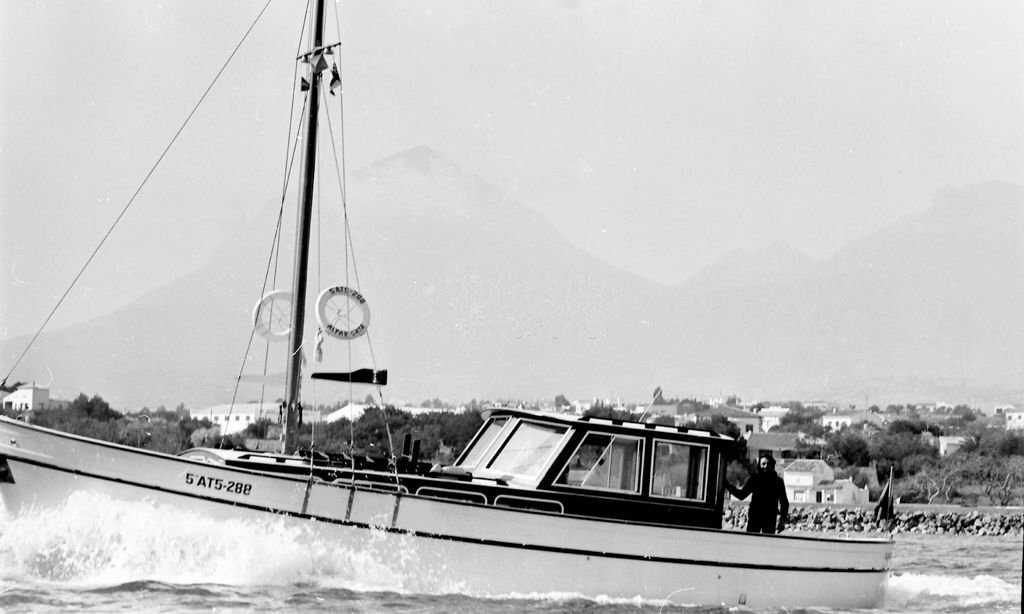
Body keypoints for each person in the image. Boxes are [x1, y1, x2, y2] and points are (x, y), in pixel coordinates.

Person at [726, 454, 789, 534]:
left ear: (773, 465)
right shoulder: (755, 479)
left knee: (765, 541)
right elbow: (742, 495)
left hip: (768, 518)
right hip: (755, 517)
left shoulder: (778, 482)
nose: (766, 466)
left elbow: (784, 502)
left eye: (768, 464)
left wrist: (782, 521)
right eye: (763, 464)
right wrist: (728, 487)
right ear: (759, 465)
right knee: (753, 541)